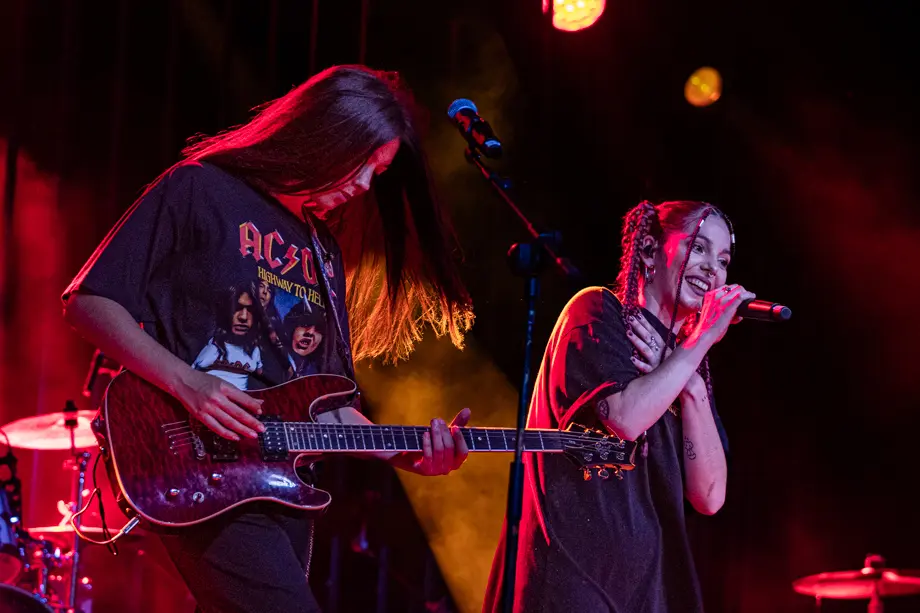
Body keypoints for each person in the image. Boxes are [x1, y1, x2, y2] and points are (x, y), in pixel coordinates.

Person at [62, 64, 475, 613]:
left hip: (279, 481)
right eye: (364, 164)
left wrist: (410, 456)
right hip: (196, 463)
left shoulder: (321, 252)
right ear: (328, 137)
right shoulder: (199, 189)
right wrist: (190, 385)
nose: (365, 186)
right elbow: (88, 303)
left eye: (379, 173)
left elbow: (328, 410)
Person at [483, 200, 754, 613]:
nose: (711, 269)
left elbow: (710, 496)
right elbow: (625, 418)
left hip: (647, 592)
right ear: (648, 251)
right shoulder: (596, 312)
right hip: (572, 582)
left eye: (723, 259)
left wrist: (694, 387)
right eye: (698, 248)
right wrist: (700, 342)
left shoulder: (683, 363)